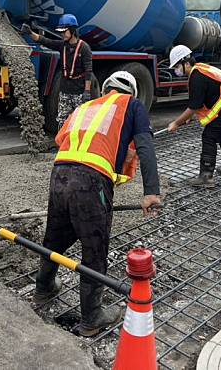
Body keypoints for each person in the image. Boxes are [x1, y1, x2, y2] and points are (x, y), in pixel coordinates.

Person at [34, 71, 161, 337]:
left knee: (54, 237)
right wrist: (151, 191)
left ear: (106, 89)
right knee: (94, 249)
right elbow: (146, 146)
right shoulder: (132, 105)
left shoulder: (85, 107)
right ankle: (92, 318)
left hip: (59, 173)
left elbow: (62, 139)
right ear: (131, 92)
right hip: (90, 181)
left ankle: (44, 288)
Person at [167, 45, 221, 188]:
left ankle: (206, 177)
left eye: (177, 66)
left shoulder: (197, 77)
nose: (176, 70)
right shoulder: (199, 70)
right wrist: (189, 117)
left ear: (186, 63)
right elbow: (203, 98)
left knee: (209, 136)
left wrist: (176, 123)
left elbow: (194, 106)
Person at [22, 15, 92, 128]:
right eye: (61, 32)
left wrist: (87, 91)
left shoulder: (84, 48)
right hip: (65, 91)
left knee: (80, 122)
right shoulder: (62, 45)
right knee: (62, 121)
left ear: (72, 30)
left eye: (64, 31)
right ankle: (62, 144)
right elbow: (45, 41)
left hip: (78, 92)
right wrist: (30, 32)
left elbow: (88, 71)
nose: (62, 34)